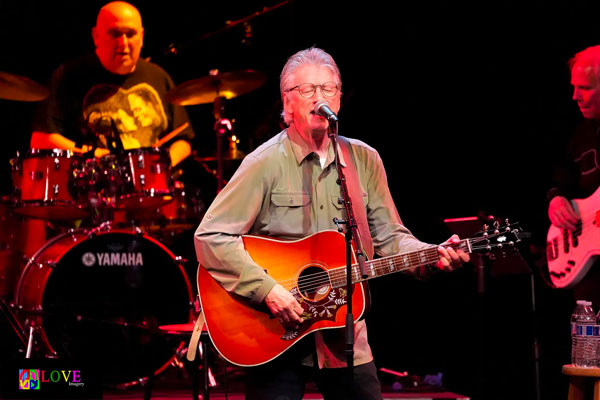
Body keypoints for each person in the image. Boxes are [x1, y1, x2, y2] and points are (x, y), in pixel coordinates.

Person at [194, 47, 470, 400]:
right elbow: (210, 236)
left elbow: (390, 237)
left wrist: (431, 254)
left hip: (345, 338)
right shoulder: (263, 163)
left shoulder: (364, 159)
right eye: (307, 90)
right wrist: (267, 290)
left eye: (328, 89)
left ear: (339, 99)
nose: (319, 97)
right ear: (287, 102)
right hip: (273, 335)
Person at [30, 1, 194, 166]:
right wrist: (92, 155)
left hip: (151, 186)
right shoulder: (68, 76)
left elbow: (183, 141)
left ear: (142, 37)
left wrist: (161, 165)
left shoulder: (159, 76)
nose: (123, 43)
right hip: (90, 183)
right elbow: (41, 139)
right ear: (96, 36)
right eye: (115, 34)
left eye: (130, 34)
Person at [547, 44, 600, 301]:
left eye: (586, 88)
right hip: (591, 274)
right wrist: (556, 199)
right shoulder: (580, 135)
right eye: (574, 87)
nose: (575, 96)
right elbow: (560, 178)